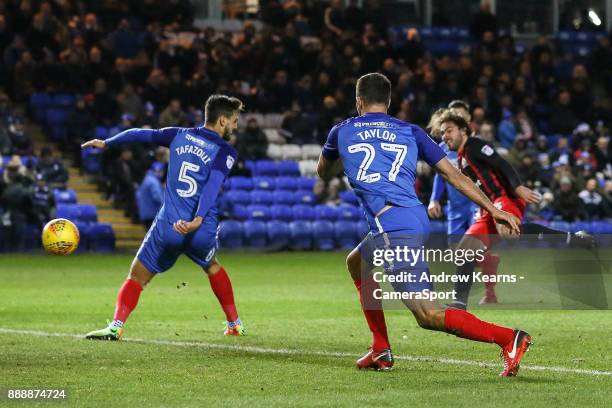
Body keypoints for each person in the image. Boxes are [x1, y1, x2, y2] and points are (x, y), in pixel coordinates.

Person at [317, 73, 530, 377]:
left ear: (358, 101)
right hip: (412, 216)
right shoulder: (411, 131)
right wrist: (491, 209)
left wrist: (342, 154)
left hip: (392, 226)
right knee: (357, 264)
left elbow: (324, 173)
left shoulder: (342, 131)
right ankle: (381, 349)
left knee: (428, 314)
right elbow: (455, 176)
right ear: (388, 103)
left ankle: (510, 338)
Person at [83, 94, 246, 340]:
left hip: (170, 225)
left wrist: (108, 142)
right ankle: (234, 323)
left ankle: (116, 326)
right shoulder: (225, 150)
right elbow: (213, 184)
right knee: (212, 266)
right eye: (234, 121)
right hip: (200, 230)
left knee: (137, 276)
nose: (235, 126)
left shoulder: (177, 134)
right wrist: (198, 219)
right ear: (222, 120)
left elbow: (139, 133)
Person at [438, 111, 592, 310]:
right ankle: (459, 304)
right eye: (442, 133)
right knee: (464, 251)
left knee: (509, 232)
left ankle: (573, 239)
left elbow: (501, 164)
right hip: (490, 208)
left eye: (449, 130)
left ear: (464, 130)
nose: (444, 136)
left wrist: (517, 187)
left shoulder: (474, 146)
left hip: (505, 198)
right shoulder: (461, 159)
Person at [427, 103, 499, 305]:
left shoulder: (476, 146)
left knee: (474, 248)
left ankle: (487, 293)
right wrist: (434, 199)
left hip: (476, 204)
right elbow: (440, 177)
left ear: (466, 120)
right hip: (455, 207)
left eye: (461, 114)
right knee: (457, 253)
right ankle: (489, 264)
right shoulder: (443, 148)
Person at [136, 161, 165, 229]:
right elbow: (157, 197)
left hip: (146, 214)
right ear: (158, 170)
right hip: (152, 214)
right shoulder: (153, 182)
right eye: (162, 171)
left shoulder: (147, 179)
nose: (162, 173)